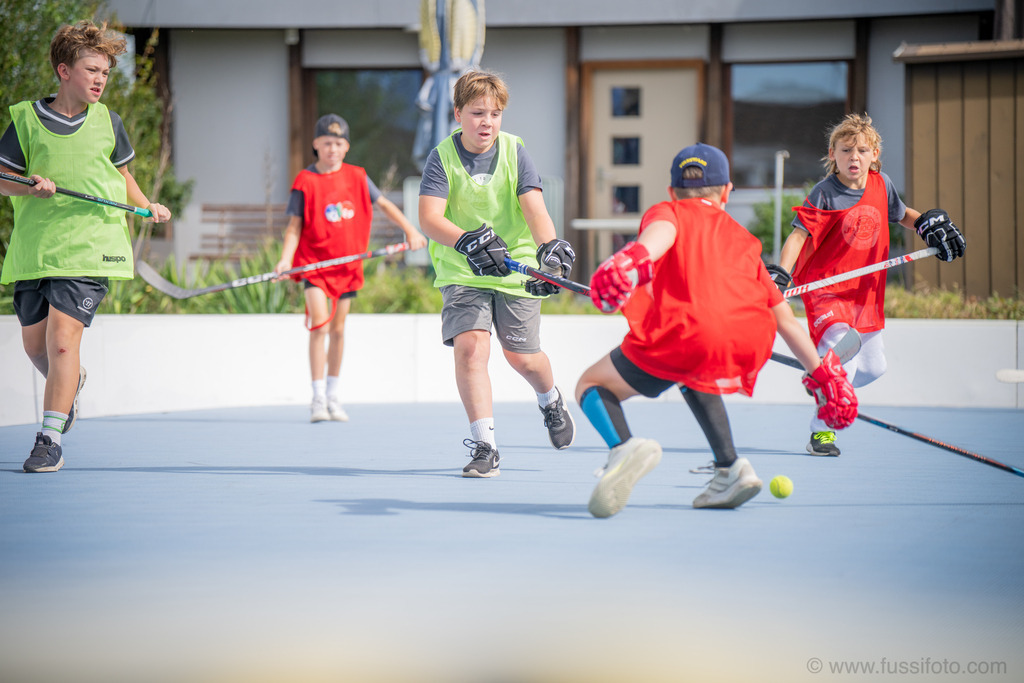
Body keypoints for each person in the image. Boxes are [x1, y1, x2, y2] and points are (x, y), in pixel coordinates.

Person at [577, 143, 858, 518]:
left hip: (683, 332)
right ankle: (730, 469)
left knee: (590, 386)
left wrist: (632, 260)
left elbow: (658, 237)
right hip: (743, 339)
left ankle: (623, 448)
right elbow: (784, 319)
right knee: (694, 375)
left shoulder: (668, 211)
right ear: (726, 192)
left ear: (672, 191)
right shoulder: (744, 240)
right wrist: (820, 371)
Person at [0, 20, 172, 473]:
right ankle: (71, 386)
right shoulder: (25, 119)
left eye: (106, 73)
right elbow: (2, 180)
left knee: (61, 343)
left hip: (92, 246)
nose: (99, 79)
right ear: (64, 71)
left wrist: (146, 203)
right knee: (36, 347)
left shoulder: (109, 122)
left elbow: (121, 174)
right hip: (37, 249)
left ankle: (48, 439)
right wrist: (27, 187)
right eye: (92, 69)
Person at [767, 113, 965, 456]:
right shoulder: (825, 193)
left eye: (861, 150)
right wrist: (780, 275)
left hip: (865, 293)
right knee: (847, 360)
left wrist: (926, 226)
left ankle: (823, 380)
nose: (853, 157)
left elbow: (902, 214)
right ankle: (822, 431)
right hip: (826, 290)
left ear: (874, 153)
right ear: (833, 154)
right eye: (845, 151)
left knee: (874, 368)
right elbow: (799, 235)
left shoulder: (881, 184)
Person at [418, 69, 576, 478]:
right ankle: (485, 446)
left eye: (495, 113)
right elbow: (430, 218)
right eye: (477, 113)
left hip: (513, 267)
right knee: (471, 349)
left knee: (523, 358)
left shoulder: (515, 150)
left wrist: (549, 253)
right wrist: (466, 240)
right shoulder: (442, 157)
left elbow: (534, 208)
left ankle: (550, 400)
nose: (487, 121)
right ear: (457, 114)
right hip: (463, 269)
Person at [275, 113, 427, 423]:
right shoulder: (305, 181)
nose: (332, 148)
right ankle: (317, 397)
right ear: (316, 145)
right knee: (320, 324)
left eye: (339, 143)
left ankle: (333, 394)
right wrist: (285, 259)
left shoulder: (358, 176)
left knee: (339, 329)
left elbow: (384, 204)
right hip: (315, 265)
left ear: (346, 147)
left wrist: (410, 230)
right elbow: (294, 226)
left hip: (348, 266)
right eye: (327, 143)